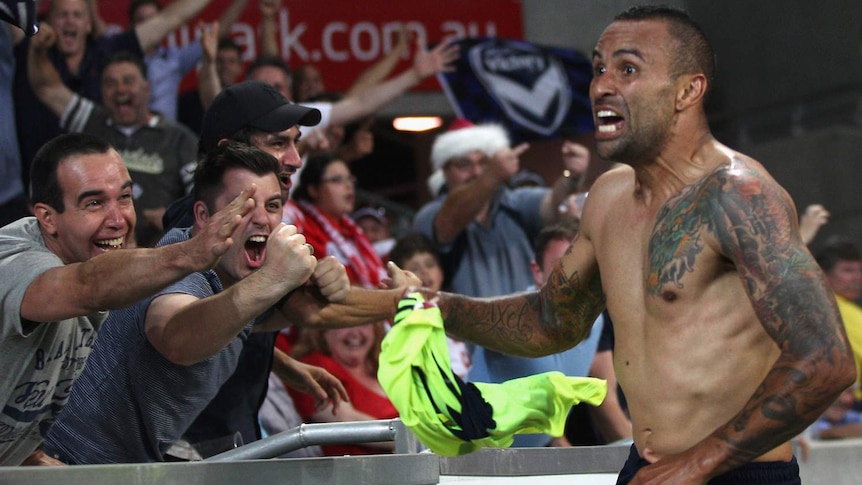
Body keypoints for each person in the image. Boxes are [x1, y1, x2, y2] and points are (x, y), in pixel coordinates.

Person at [422, 6, 855, 484]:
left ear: (688, 91)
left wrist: (699, 463)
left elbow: (826, 360)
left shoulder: (737, 193)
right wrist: (430, 307)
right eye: (598, 68)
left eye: (627, 69)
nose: (602, 86)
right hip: (648, 468)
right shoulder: (608, 197)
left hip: (735, 473)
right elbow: (551, 323)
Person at [42, 141, 345, 464]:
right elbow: (177, 336)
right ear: (203, 216)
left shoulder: (237, 274)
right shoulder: (180, 270)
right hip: (65, 464)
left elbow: (252, 316)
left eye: (272, 206)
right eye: (243, 205)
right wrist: (271, 281)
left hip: (117, 467)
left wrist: (287, 365)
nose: (262, 220)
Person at [0, 132, 253, 466]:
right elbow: (85, 285)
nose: (118, 220)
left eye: (124, 197)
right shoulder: (15, 259)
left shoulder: (88, 260)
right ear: (48, 218)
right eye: (93, 203)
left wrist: (30, 456)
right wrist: (192, 253)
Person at [12, 0, 215, 183]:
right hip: (33, 188)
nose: (69, 22)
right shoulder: (30, 50)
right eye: (62, 15)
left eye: (77, 15)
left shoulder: (110, 51)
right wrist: (36, 48)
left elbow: (171, 18)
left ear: (89, 23)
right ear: (48, 21)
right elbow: (45, 86)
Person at [29, 31, 198, 246]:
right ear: (101, 91)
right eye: (110, 83)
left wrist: (173, 218)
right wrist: (37, 51)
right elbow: (47, 88)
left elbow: (202, 199)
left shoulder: (179, 138)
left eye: (128, 81)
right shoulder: (90, 121)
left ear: (146, 88)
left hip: (159, 252)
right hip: (95, 249)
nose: (120, 89)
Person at [413, 119, 589, 298]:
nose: (476, 172)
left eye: (484, 162)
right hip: (463, 326)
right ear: (444, 170)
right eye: (464, 164)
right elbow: (451, 218)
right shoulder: (430, 215)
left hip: (527, 324)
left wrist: (571, 176)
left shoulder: (514, 202)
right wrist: (492, 174)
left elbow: (552, 204)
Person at [469, 219, 604, 448]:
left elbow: (547, 406)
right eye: (562, 267)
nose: (575, 277)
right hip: (466, 460)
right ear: (537, 272)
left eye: (585, 265)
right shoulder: (515, 317)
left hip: (528, 459)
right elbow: (465, 322)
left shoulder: (597, 320)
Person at [288, 321, 398, 456]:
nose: (355, 332)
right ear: (323, 332)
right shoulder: (315, 368)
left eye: (364, 323)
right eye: (345, 323)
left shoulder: (385, 368)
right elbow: (345, 421)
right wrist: (413, 437)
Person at [290, 155, 386, 289]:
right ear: (313, 189)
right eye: (337, 180)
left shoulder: (353, 232)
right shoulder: (301, 226)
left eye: (350, 179)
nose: (349, 186)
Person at [388, 232, 471, 380]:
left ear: (441, 271)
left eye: (430, 264)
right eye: (414, 268)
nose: (425, 272)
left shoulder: (455, 310)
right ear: (399, 278)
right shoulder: (400, 320)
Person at [816, 236, 862, 394]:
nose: (857, 278)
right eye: (848, 270)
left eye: (859, 270)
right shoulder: (830, 307)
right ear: (824, 275)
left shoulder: (851, 309)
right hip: (843, 403)